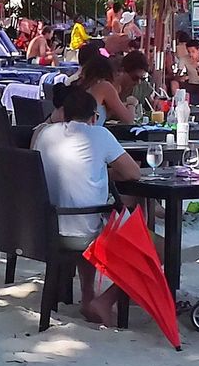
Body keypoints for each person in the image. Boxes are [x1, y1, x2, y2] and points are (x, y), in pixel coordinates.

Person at [31, 86, 141, 326]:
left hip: (44, 228)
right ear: (95, 117)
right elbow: (133, 173)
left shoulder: (43, 134)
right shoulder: (99, 135)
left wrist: (97, 171)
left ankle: (88, 296)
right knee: (156, 248)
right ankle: (105, 301)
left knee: (85, 213)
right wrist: (107, 171)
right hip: (81, 230)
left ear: (63, 113)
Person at [58, 54, 134, 125]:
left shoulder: (80, 85)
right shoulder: (104, 86)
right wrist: (132, 104)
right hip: (90, 135)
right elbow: (128, 120)